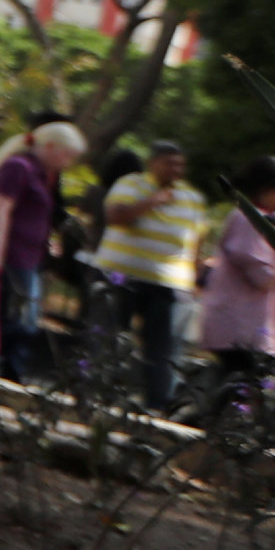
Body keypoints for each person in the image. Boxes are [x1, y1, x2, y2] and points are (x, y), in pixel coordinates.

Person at [94, 140, 206, 409]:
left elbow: (198, 241)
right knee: (110, 336)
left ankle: (158, 402)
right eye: (169, 163)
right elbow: (115, 216)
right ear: (153, 162)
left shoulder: (192, 198)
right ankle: (100, 392)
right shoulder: (130, 184)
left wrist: (194, 278)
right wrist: (151, 202)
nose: (175, 170)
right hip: (121, 277)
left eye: (180, 165)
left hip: (167, 283)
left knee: (161, 347)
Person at [197, 155, 275, 410]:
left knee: (242, 396)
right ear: (270, 188)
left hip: (253, 328)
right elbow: (264, 277)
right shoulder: (248, 220)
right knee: (236, 397)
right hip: (238, 327)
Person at [0, 119, 85, 375]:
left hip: (31, 256)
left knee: (17, 316)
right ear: (50, 146)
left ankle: (2, 367)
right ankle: (10, 371)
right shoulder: (18, 167)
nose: (67, 163)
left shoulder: (44, 176)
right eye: (66, 155)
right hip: (12, 253)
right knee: (24, 319)